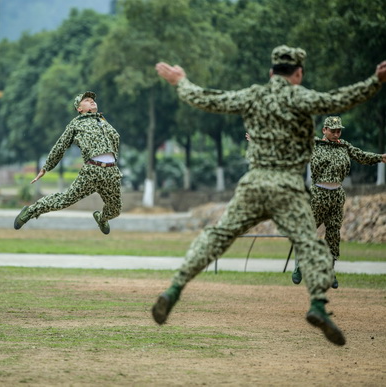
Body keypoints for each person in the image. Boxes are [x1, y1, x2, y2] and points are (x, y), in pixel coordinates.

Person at [153, 45, 386, 346]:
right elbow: (341, 98)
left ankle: (174, 289)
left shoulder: (254, 95)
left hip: (255, 182)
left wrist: (180, 81)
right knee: (308, 243)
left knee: (217, 235)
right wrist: (375, 80)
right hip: (288, 186)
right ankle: (317, 304)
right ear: (298, 74)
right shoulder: (302, 97)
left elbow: (208, 99)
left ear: (271, 72)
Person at [292, 116, 386, 288]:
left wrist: (380, 157)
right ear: (324, 130)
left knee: (334, 234)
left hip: (337, 196)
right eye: (333, 130)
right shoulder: (313, 144)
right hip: (317, 195)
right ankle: (299, 265)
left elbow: (361, 155)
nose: (336, 133)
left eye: (339, 131)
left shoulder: (344, 146)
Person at [13, 91, 122, 235]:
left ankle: (101, 219)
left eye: (92, 100)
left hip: (111, 172)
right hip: (92, 170)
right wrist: (46, 167)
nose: (91, 101)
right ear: (79, 108)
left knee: (115, 209)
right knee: (65, 200)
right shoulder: (76, 124)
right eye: (87, 100)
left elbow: (115, 140)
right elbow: (61, 145)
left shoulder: (103, 121)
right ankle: (31, 211)